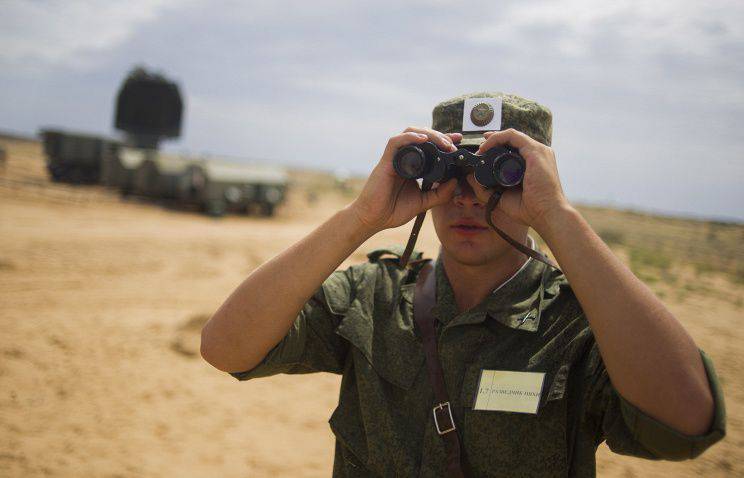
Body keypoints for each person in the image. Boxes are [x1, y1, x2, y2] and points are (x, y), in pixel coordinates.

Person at [200, 92, 726, 477]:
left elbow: (685, 421)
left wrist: (557, 218)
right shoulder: (375, 298)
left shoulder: (580, 324)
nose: (469, 196)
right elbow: (227, 347)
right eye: (452, 171)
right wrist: (362, 217)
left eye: (498, 172)